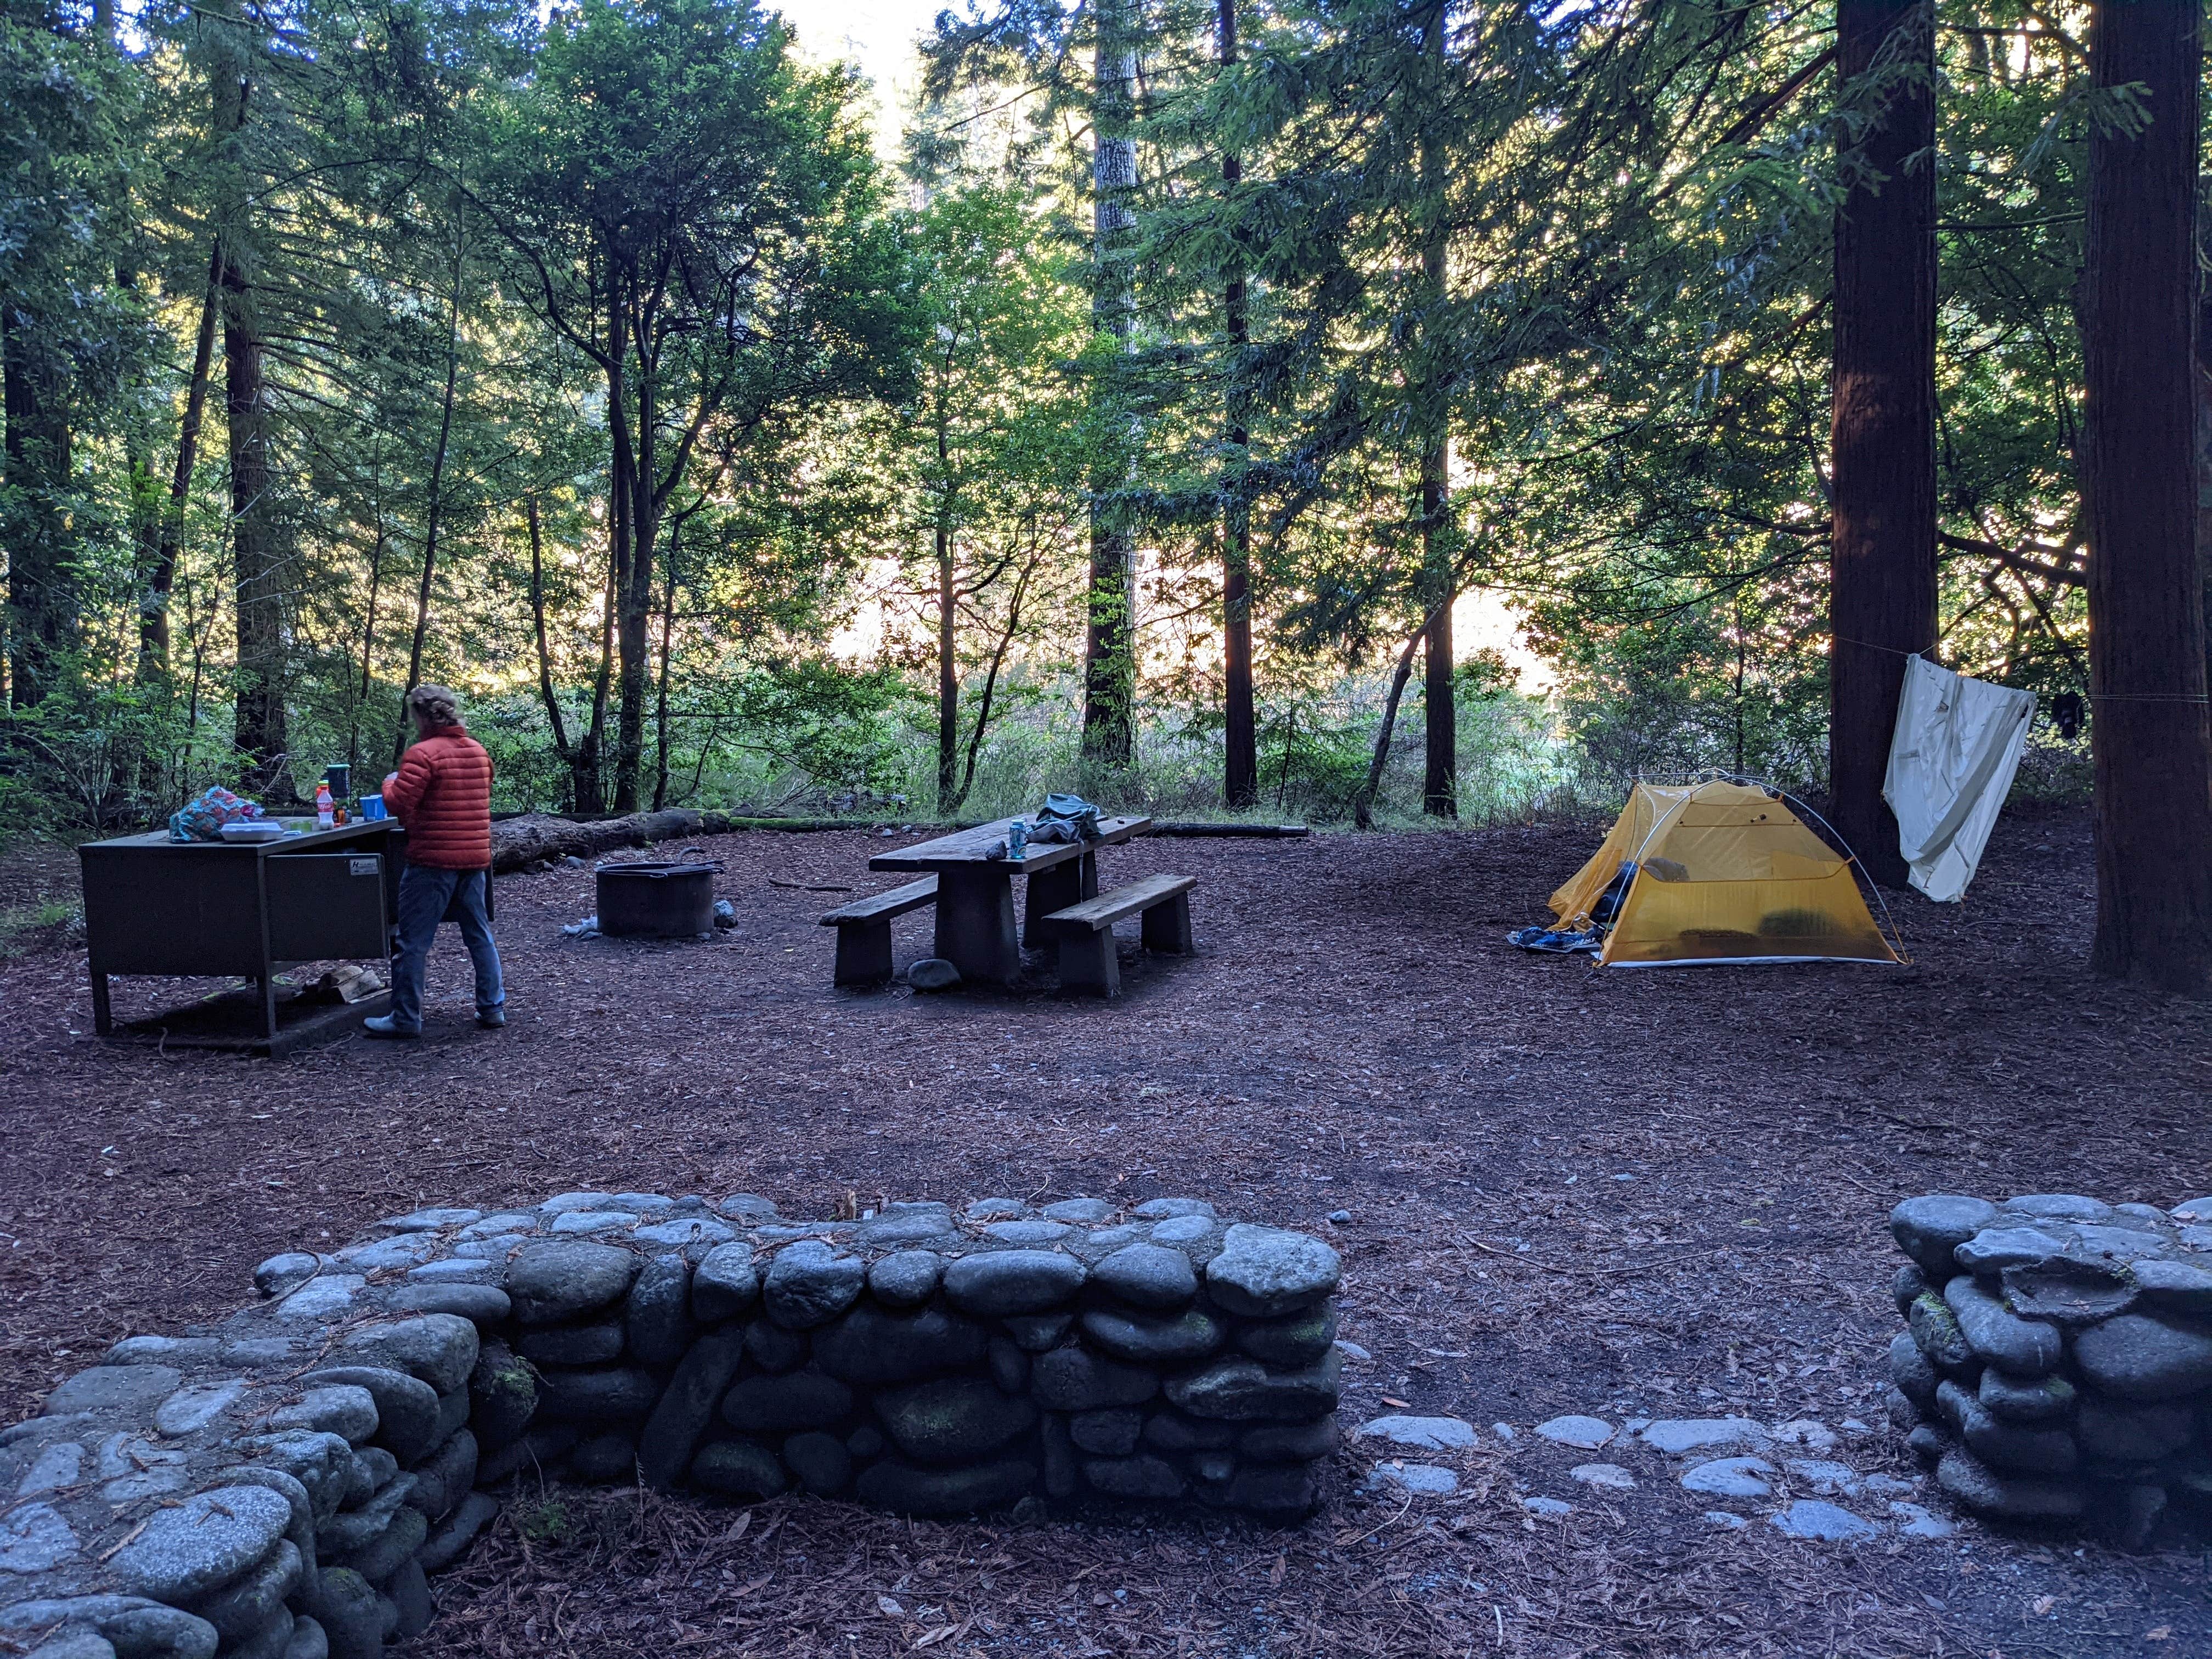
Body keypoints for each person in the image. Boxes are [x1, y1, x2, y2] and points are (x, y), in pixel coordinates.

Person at [364, 684, 505, 1036]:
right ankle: (492, 1009)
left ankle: (405, 1018)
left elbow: (399, 805)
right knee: (480, 936)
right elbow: (479, 798)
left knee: (412, 943)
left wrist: (389, 784)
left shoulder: (421, 755)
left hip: (432, 861)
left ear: (421, 716)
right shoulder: (477, 751)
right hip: (474, 860)